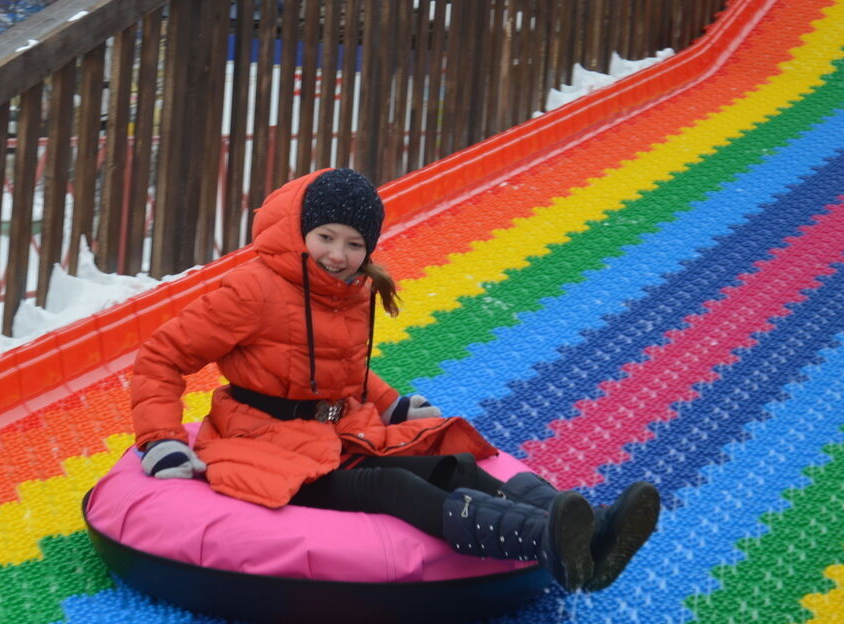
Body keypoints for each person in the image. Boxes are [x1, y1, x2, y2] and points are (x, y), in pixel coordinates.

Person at [131, 168, 658, 592]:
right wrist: (161, 440)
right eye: (325, 237)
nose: (338, 255)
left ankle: (595, 533)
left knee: (452, 466)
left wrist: (389, 405)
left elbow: (343, 372)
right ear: (298, 233)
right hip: (262, 441)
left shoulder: (349, 291)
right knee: (393, 485)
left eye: (354, 243)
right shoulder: (251, 291)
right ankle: (546, 541)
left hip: (335, 432)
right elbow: (162, 355)